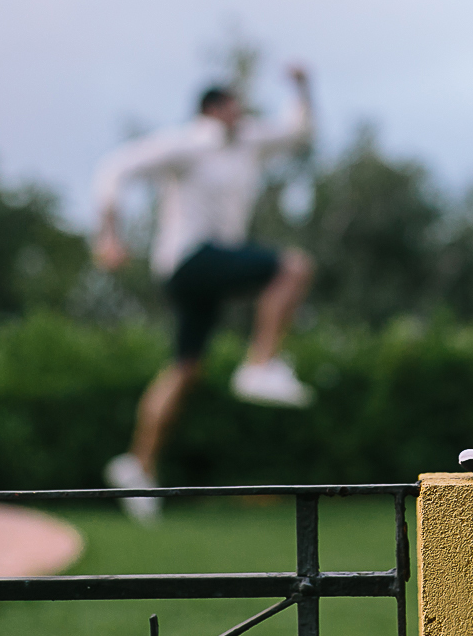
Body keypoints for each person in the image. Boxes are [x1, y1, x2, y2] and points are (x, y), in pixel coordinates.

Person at [93, 66, 317, 522]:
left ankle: (137, 464)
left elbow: (299, 131)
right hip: (190, 259)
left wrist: (300, 87)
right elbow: (116, 167)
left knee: (185, 369)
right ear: (212, 110)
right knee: (292, 268)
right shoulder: (188, 142)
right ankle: (259, 366)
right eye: (234, 103)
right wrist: (108, 235)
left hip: (202, 269)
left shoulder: (251, 140)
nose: (242, 110)